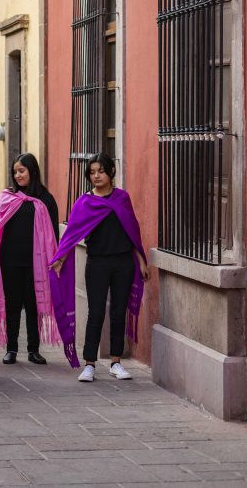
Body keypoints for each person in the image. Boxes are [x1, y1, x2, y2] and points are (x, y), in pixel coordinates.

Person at [51, 153, 149, 382]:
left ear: (111, 172)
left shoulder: (122, 198)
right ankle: (89, 364)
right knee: (95, 313)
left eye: (101, 171)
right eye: (92, 172)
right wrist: (60, 260)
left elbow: (132, 232)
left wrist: (141, 261)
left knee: (118, 312)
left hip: (123, 263)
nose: (96, 176)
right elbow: (72, 234)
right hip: (97, 263)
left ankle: (116, 362)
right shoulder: (85, 202)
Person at [0, 153, 61, 366]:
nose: (18, 175)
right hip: (9, 260)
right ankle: (11, 349)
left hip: (36, 263)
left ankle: (34, 350)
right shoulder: (7, 197)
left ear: (32, 171)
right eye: (15, 172)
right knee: (12, 305)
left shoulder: (46, 199)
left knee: (33, 306)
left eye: (21, 171)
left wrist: (56, 259)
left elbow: (53, 233)